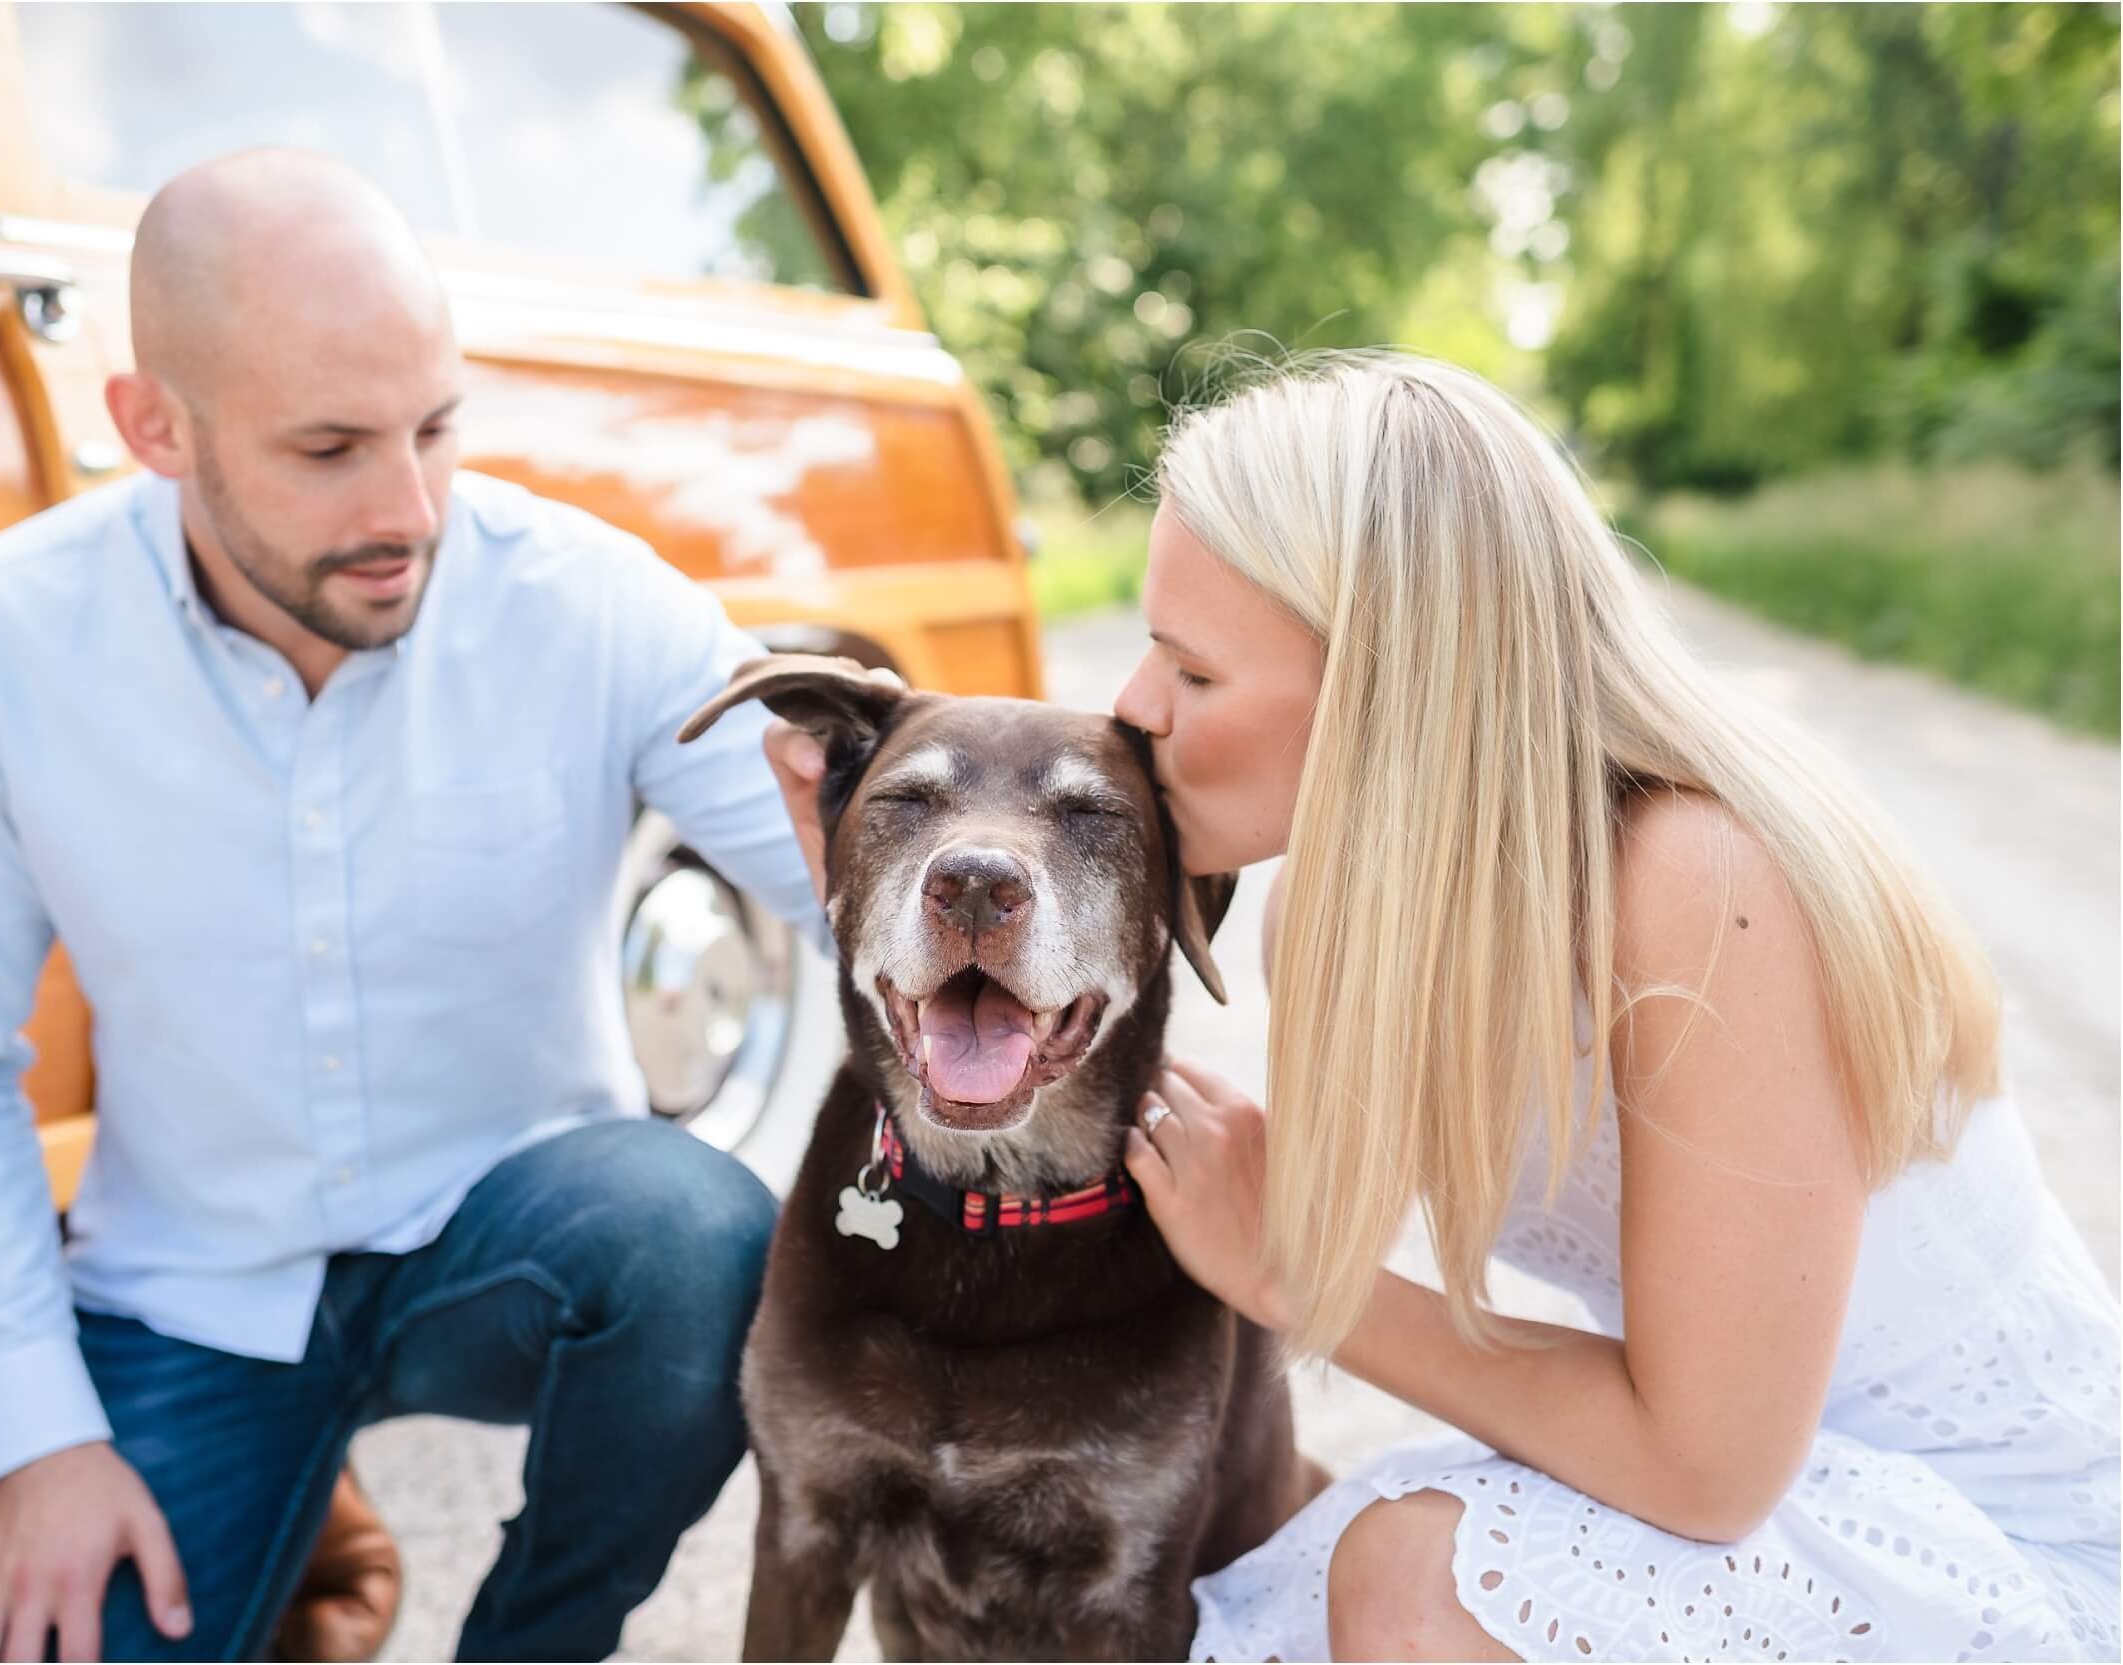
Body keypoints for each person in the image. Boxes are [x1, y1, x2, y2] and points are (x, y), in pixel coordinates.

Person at [766, 349, 2120, 1663]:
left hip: (1981, 1544)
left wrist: (1299, 1276)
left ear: (1383, 683)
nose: (1132, 703)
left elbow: (1706, 1469)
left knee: (1412, 1581)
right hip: (1774, 1494)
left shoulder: (1705, 887)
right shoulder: (1352, 920)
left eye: (1191, 667)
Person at [0, 149, 822, 1663]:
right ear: (154, 427)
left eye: (436, 428)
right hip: (189, 1287)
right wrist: (32, 1434)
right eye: (330, 449)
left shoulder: (581, 599)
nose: (411, 506)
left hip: (514, 1238)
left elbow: (862, 874)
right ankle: (301, 1510)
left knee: (698, 1233)